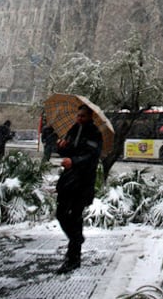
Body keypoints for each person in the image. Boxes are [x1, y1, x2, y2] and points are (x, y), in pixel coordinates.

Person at [55, 104, 103, 274]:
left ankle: (73, 258)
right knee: (61, 214)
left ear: (90, 117)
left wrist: (74, 161)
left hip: (83, 182)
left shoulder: (95, 133)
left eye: (83, 116)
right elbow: (67, 151)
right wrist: (61, 146)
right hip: (68, 180)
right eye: (78, 115)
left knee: (75, 217)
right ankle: (77, 239)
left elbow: (91, 156)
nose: (79, 118)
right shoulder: (74, 129)